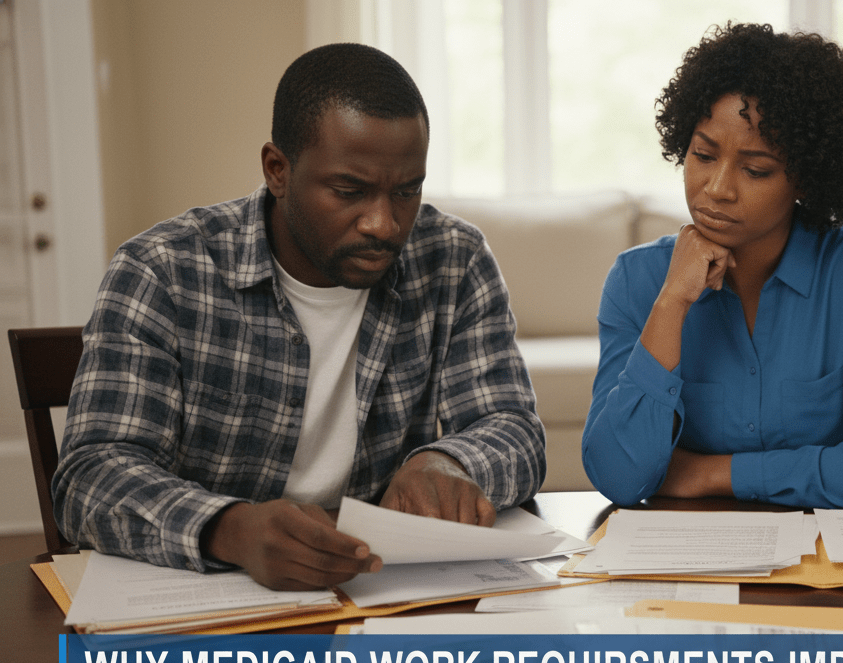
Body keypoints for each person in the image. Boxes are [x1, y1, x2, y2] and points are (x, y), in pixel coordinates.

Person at [52, 43, 545, 590]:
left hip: (379, 592)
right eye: (349, 191)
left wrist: (447, 462)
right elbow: (89, 475)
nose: (384, 223)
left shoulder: (453, 257)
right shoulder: (163, 271)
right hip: (214, 599)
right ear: (278, 170)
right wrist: (230, 528)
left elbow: (514, 429)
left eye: (407, 191)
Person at [582, 23, 843, 509]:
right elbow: (618, 477)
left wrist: (709, 473)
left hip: (827, 570)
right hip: (686, 567)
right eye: (702, 155)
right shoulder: (637, 280)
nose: (717, 187)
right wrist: (672, 303)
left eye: (755, 169)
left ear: (804, 177)